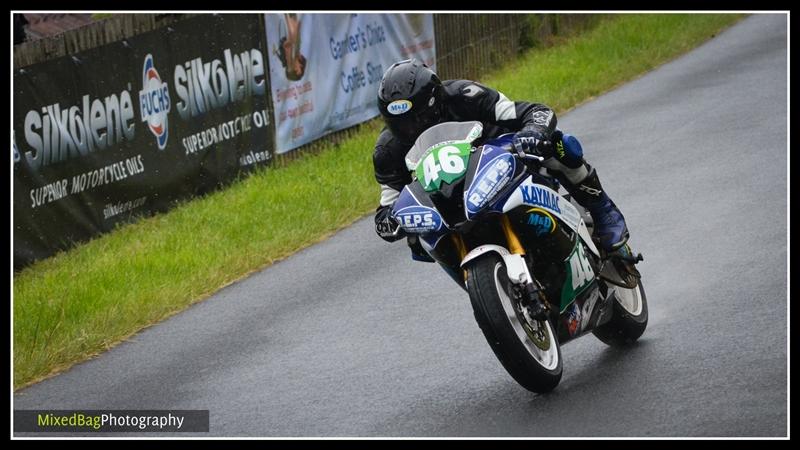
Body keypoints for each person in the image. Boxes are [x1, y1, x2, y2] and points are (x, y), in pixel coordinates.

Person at [372, 58, 630, 263]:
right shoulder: (387, 151)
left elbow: (534, 112)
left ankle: (602, 208)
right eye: (398, 124)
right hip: (450, 200)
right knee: (417, 242)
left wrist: (533, 133)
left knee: (560, 145)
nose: (409, 129)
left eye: (417, 118)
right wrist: (389, 222)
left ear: (435, 102)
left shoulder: (466, 95)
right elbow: (388, 204)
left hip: (505, 162)